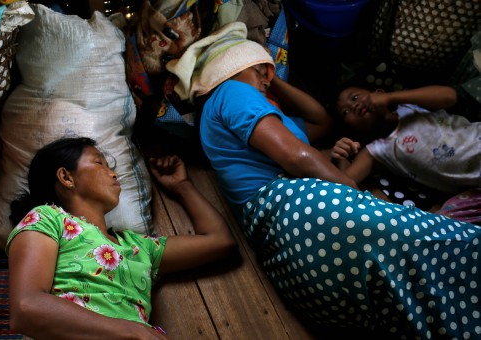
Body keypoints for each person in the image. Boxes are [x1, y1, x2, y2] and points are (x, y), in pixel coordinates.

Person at [166, 22, 481, 338]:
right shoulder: (233, 92)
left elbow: (323, 122)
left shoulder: (231, 118)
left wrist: (270, 79)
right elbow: (297, 157)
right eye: (260, 71)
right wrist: (355, 195)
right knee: (454, 249)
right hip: (302, 214)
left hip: (294, 261)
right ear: (237, 68)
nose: (265, 79)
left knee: (429, 307)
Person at [5, 137, 236, 339]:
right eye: (99, 162)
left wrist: (183, 186)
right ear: (66, 176)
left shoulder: (138, 247)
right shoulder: (48, 218)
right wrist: (135, 332)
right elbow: (27, 308)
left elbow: (219, 241)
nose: (114, 173)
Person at [330, 84, 481, 195]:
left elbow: (450, 96)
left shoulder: (410, 106)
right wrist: (340, 157)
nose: (354, 105)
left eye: (354, 97)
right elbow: (346, 184)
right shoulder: (375, 151)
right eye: (345, 112)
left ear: (378, 92)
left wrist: (390, 97)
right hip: (473, 187)